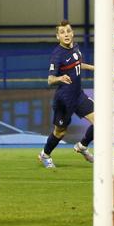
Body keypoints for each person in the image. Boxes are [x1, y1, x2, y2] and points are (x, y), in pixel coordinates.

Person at [39, 20, 95, 168]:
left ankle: (82, 147)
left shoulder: (76, 47)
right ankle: (45, 154)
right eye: (62, 32)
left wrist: (93, 67)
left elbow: (77, 63)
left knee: (101, 122)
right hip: (64, 100)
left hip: (78, 95)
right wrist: (60, 78)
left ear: (72, 33)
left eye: (68, 31)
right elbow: (50, 80)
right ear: (58, 37)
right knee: (60, 132)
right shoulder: (57, 55)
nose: (66, 34)